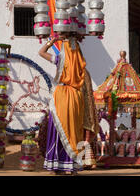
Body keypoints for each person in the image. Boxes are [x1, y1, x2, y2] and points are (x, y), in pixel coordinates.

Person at [39, 35, 86, 175]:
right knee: (73, 131)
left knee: (58, 130)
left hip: (61, 96)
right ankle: (72, 166)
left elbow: (41, 52)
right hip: (76, 97)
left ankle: (56, 166)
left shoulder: (60, 60)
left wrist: (51, 41)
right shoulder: (80, 63)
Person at [81, 68, 100, 169]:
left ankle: (86, 162)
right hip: (84, 106)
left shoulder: (82, 72)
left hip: (83, 107)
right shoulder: (84, 71)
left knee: (85, 135)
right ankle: (89, 162)